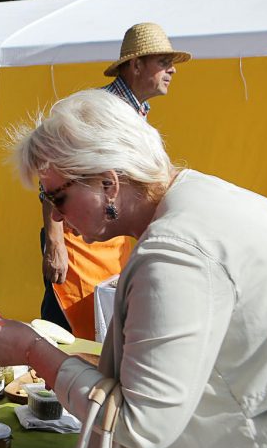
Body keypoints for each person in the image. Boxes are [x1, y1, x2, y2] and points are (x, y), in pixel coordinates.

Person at [0, 89, 267, 448]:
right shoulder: (201, 200)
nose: (55, 216)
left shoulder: (175, 251)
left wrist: (33, 351)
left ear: (108, 182)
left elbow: (142, 422)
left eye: (58, 197)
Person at [40, 22, 190, 339]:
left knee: (104, 326)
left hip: (109, 240)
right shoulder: (99, 108)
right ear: (136, 65)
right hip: (77, 241)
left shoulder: (136, 112)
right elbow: (48, 166)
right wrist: (55, 241)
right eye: (164, 62)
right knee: (66, 332)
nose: (172, 71)